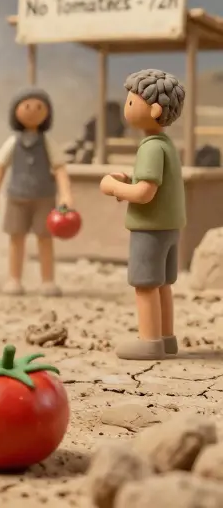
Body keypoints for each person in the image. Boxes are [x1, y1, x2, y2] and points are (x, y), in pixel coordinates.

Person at [99, 69, 186, 361]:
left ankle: (149, 341)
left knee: (146, 284)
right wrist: (130, 179)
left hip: (150, 229)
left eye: (131, 102)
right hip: (169, 227)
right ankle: (166, 338)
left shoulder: (150, 148)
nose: (127, 107)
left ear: (155, 109)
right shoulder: (166, 145)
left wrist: (113, 186)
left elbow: (145, 194)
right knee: (162, 284)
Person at [0, 88, 73, 296]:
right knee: (16, 239)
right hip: (17, 197)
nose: (33, 110)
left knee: (45, 239)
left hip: (43, 197)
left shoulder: (48, 143)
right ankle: (14, 279)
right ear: (15, 111)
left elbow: (59, 168)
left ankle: (47, 280)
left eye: (39, 107)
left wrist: (66, 194)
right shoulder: (12, 143)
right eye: (26, 106)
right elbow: (0, 167)